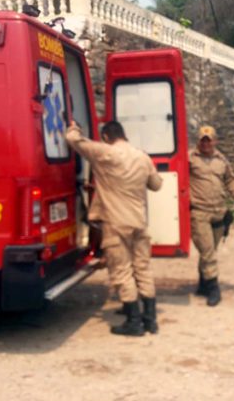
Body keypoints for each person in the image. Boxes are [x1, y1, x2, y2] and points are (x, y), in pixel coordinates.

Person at [66, 120, 162, 337]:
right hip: (139, 222)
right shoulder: (142, 156)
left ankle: (133, 322)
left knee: (122, 270)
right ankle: (150, 319)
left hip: (116, 223)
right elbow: (156, 185)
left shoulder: (105, 153)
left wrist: (73, 126)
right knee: (143, 268)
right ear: (124, 135)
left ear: (106, 137)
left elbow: (73, 140)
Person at [188, 125, 234, 307]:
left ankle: (203, 284)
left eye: (209, 139)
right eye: (203, 140)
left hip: (219, 212)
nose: (206, 143)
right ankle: (214, 288)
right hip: (199, 212)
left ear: (215, 141)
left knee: (210, 251)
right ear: (199, 141)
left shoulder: (222, 160)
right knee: (207, 251)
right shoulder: (189, 159)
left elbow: (230, 179)